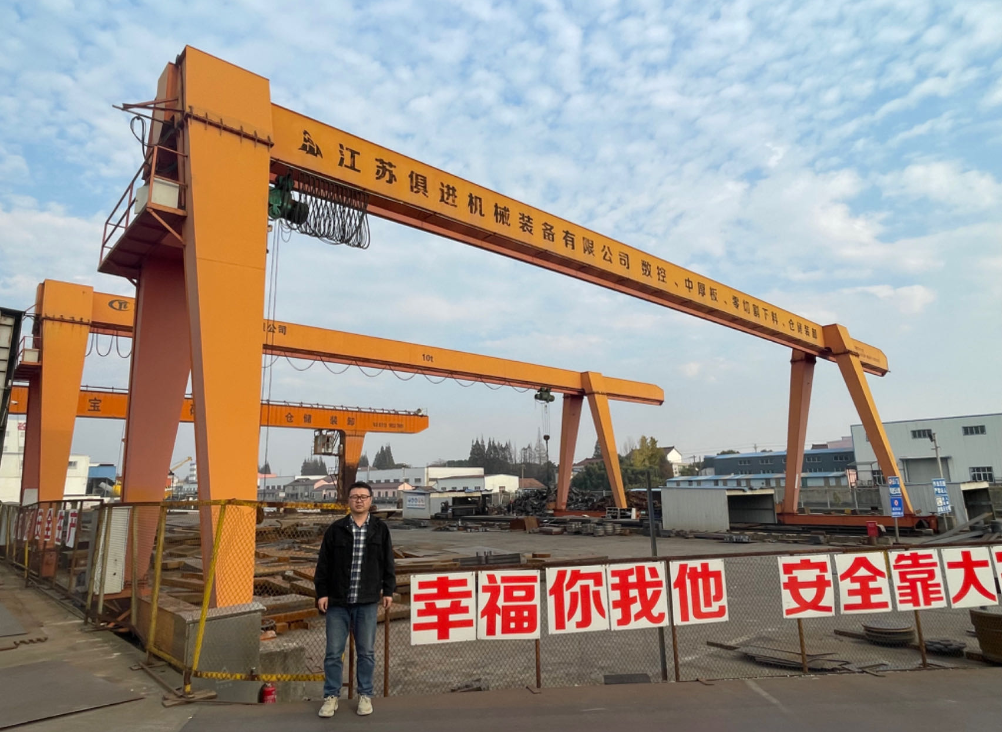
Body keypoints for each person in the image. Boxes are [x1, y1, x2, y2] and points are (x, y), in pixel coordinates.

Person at [314, 481, 395, 718]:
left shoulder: (380, 530)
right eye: (354, 496)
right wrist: (322, 593)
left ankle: (365, 695)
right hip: (338, 602)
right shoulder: (336, 530)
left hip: (367, 601)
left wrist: (388, 590)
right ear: (348, 501)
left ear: (370, 500)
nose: (359, 500)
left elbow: (388, 562)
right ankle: (331, 697)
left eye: (363, 496)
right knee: (333, 653)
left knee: (366, 653)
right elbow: (323, 564)